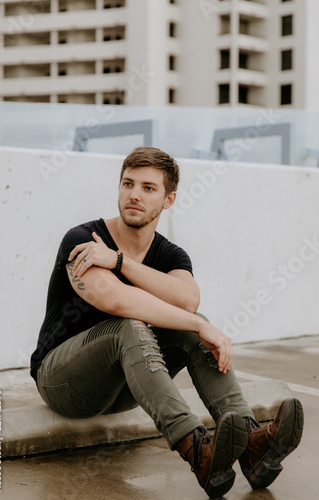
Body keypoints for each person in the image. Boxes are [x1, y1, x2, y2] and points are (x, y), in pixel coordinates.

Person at [31, 146, 304, 498]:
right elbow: (116, 299)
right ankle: (196, 449)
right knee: (132, 325)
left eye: (148, 188)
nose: (134, 194)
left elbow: (188, 299)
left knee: (193, 325)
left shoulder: (168, 254)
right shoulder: (83, 239)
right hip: (63, 382)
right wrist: (196, 323)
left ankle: (252, 445)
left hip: (124, 387)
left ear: (169, 199)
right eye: (127, 183)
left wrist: (119, 261)